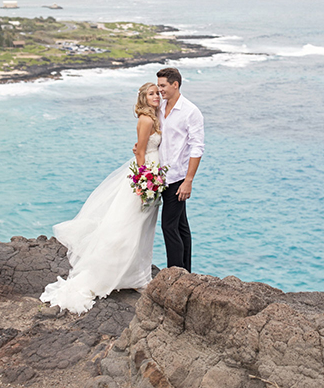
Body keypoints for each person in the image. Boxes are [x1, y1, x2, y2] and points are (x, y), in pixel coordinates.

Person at [40, 82, 163, 314]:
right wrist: (144, 179)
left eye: (157, 92)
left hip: (153, 175)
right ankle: (119, 274)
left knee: (144, 227)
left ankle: (138, 275)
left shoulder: (155, 117)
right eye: (151, 93)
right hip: (145, 176)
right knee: (129, 227)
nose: (156, 96)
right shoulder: (146, 120)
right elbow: (140, 152)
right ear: (143, 98)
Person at [156, 67, 204, 272]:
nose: (160, 90)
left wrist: (188, 180)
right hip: (161, 177)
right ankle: (186, 272)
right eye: (158, 86)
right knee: (181, 226)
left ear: (175, 85)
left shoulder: (191, 112)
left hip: (177, 178)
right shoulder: (160, 107)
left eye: (163, 86)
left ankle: (174, 274)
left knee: (168, 226)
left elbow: (197, 147)